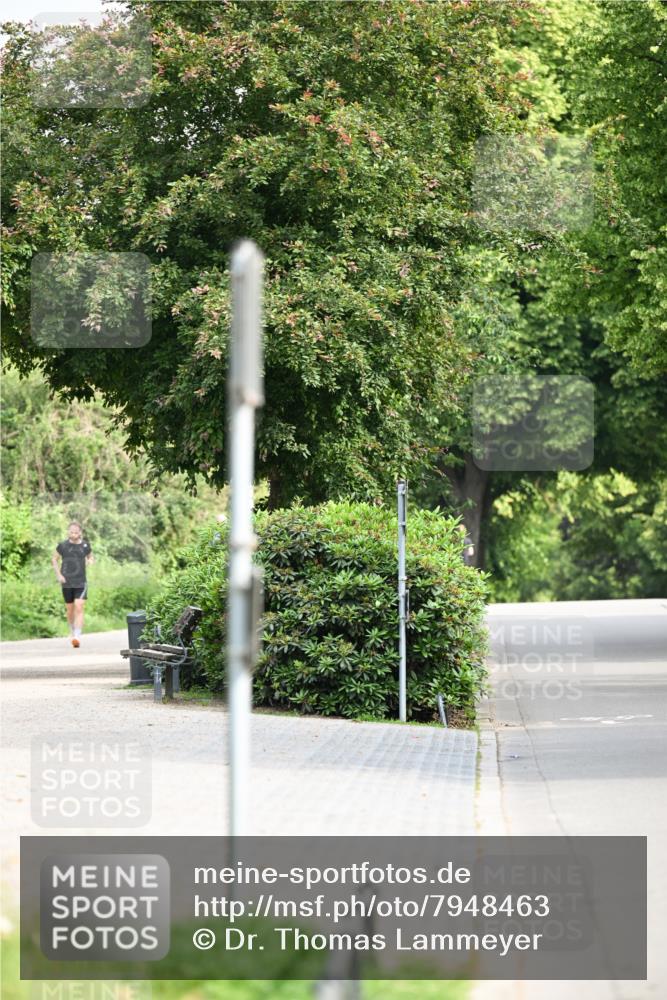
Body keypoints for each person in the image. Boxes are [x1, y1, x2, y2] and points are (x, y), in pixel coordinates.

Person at [52, 521, 93, 647]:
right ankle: (72, 630)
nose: (73, 534)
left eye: (76, 532)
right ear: (68, 532)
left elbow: (90, 557)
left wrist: (90, 561)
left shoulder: (85, 545)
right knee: (70, 609)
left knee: (79, 606)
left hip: (81, 581)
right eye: (71, 532)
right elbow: (54, 559)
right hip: (66, 582)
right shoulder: (62, 546)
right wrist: (59, 575)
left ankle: (77, 636)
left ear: (80, 532)